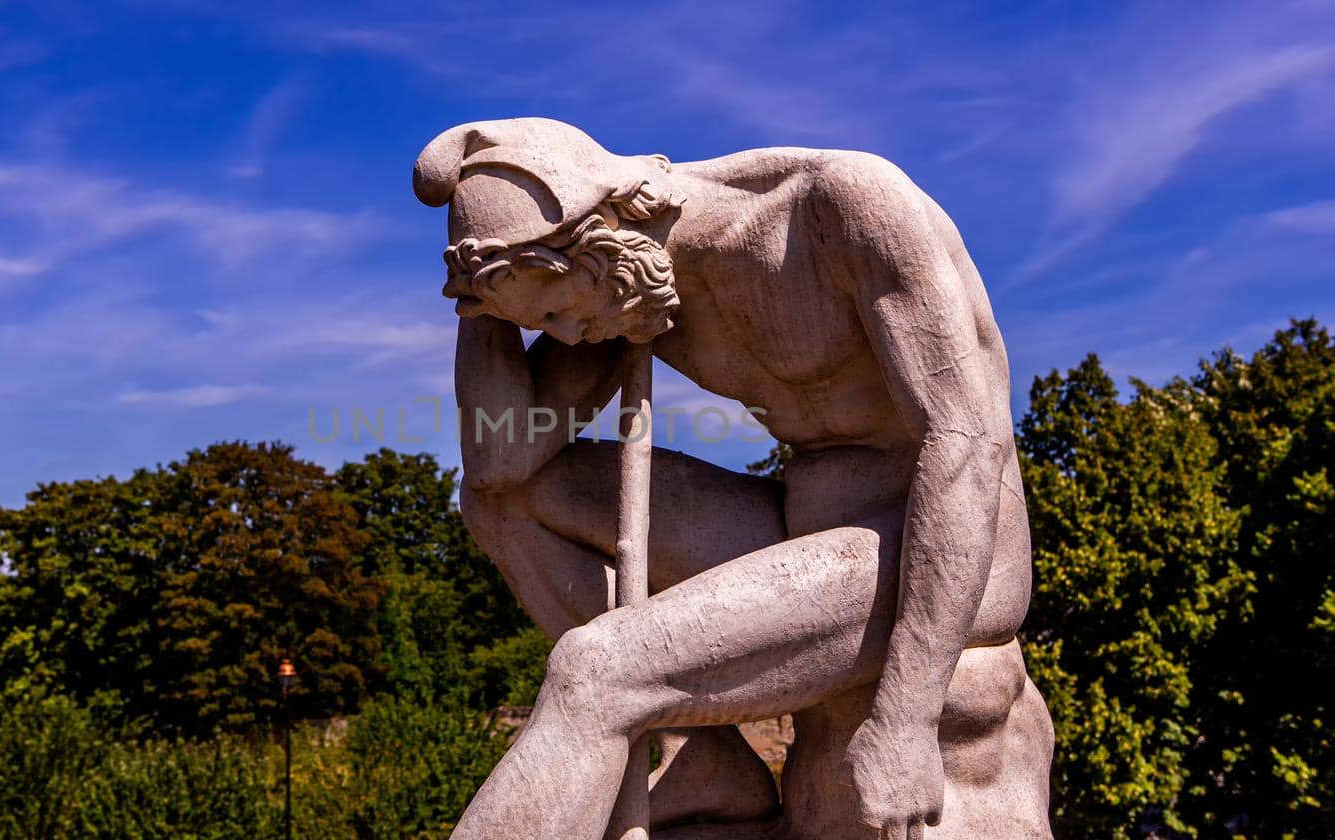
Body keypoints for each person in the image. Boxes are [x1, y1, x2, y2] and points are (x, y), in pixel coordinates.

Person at [416, 118, 1052, 840]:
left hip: (928, 545)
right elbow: (501, 463)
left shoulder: (840, 208)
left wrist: (907, 714)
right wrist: (482, 295)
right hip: (812, 531)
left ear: (607, 233)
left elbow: (967, 443)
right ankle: (707, 757)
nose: (563, 338)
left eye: (559, 311)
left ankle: (642, 702)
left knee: (596, 673)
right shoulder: (632, 297)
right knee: (500, 504)